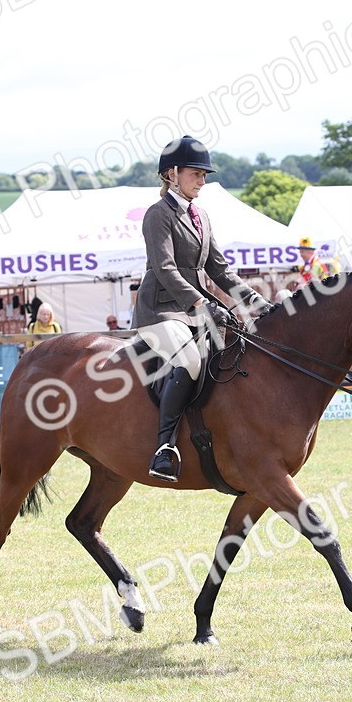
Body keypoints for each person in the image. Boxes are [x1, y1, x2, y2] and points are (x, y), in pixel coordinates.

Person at [134, 134, 273, 482]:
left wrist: (254, 301)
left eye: (204, 175)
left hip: (196, 310)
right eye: (196, 173)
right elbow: (164, 270)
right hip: (161, 310)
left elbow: (219, 270)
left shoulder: (202, 216)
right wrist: (202, 303)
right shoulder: (157, 214)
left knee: (233, 353)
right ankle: (164, 447)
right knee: (191, 359)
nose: (202, 180)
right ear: (172, 174)